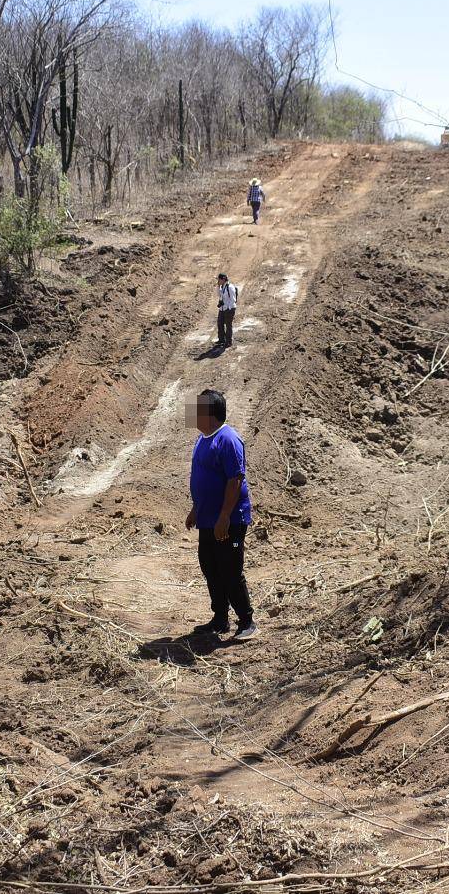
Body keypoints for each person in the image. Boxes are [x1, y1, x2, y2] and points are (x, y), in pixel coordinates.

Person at [184, 389, 256, 639]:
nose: (192, 414)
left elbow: (235, 479)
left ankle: (247, 621)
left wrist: (225, 516)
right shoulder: (202, 439)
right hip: (207, 520)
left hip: (229, 521)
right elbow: (204, 479)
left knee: (230, 569)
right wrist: (196, 509)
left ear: (209, 413)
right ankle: (220, 619)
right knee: (210, 567)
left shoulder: (228, 439)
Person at [216, 273, 238, 347]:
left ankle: (229, 341)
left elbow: (233, 299)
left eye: (219, 279)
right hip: (222, 308)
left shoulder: (230, 287)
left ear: (223, 279)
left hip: (229, 309)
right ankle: (221, 339)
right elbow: (219, 295)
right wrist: (218, 286)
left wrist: (228, 308)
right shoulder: (222, 286)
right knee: (220, 323)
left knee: (228, 325)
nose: (218, 281)